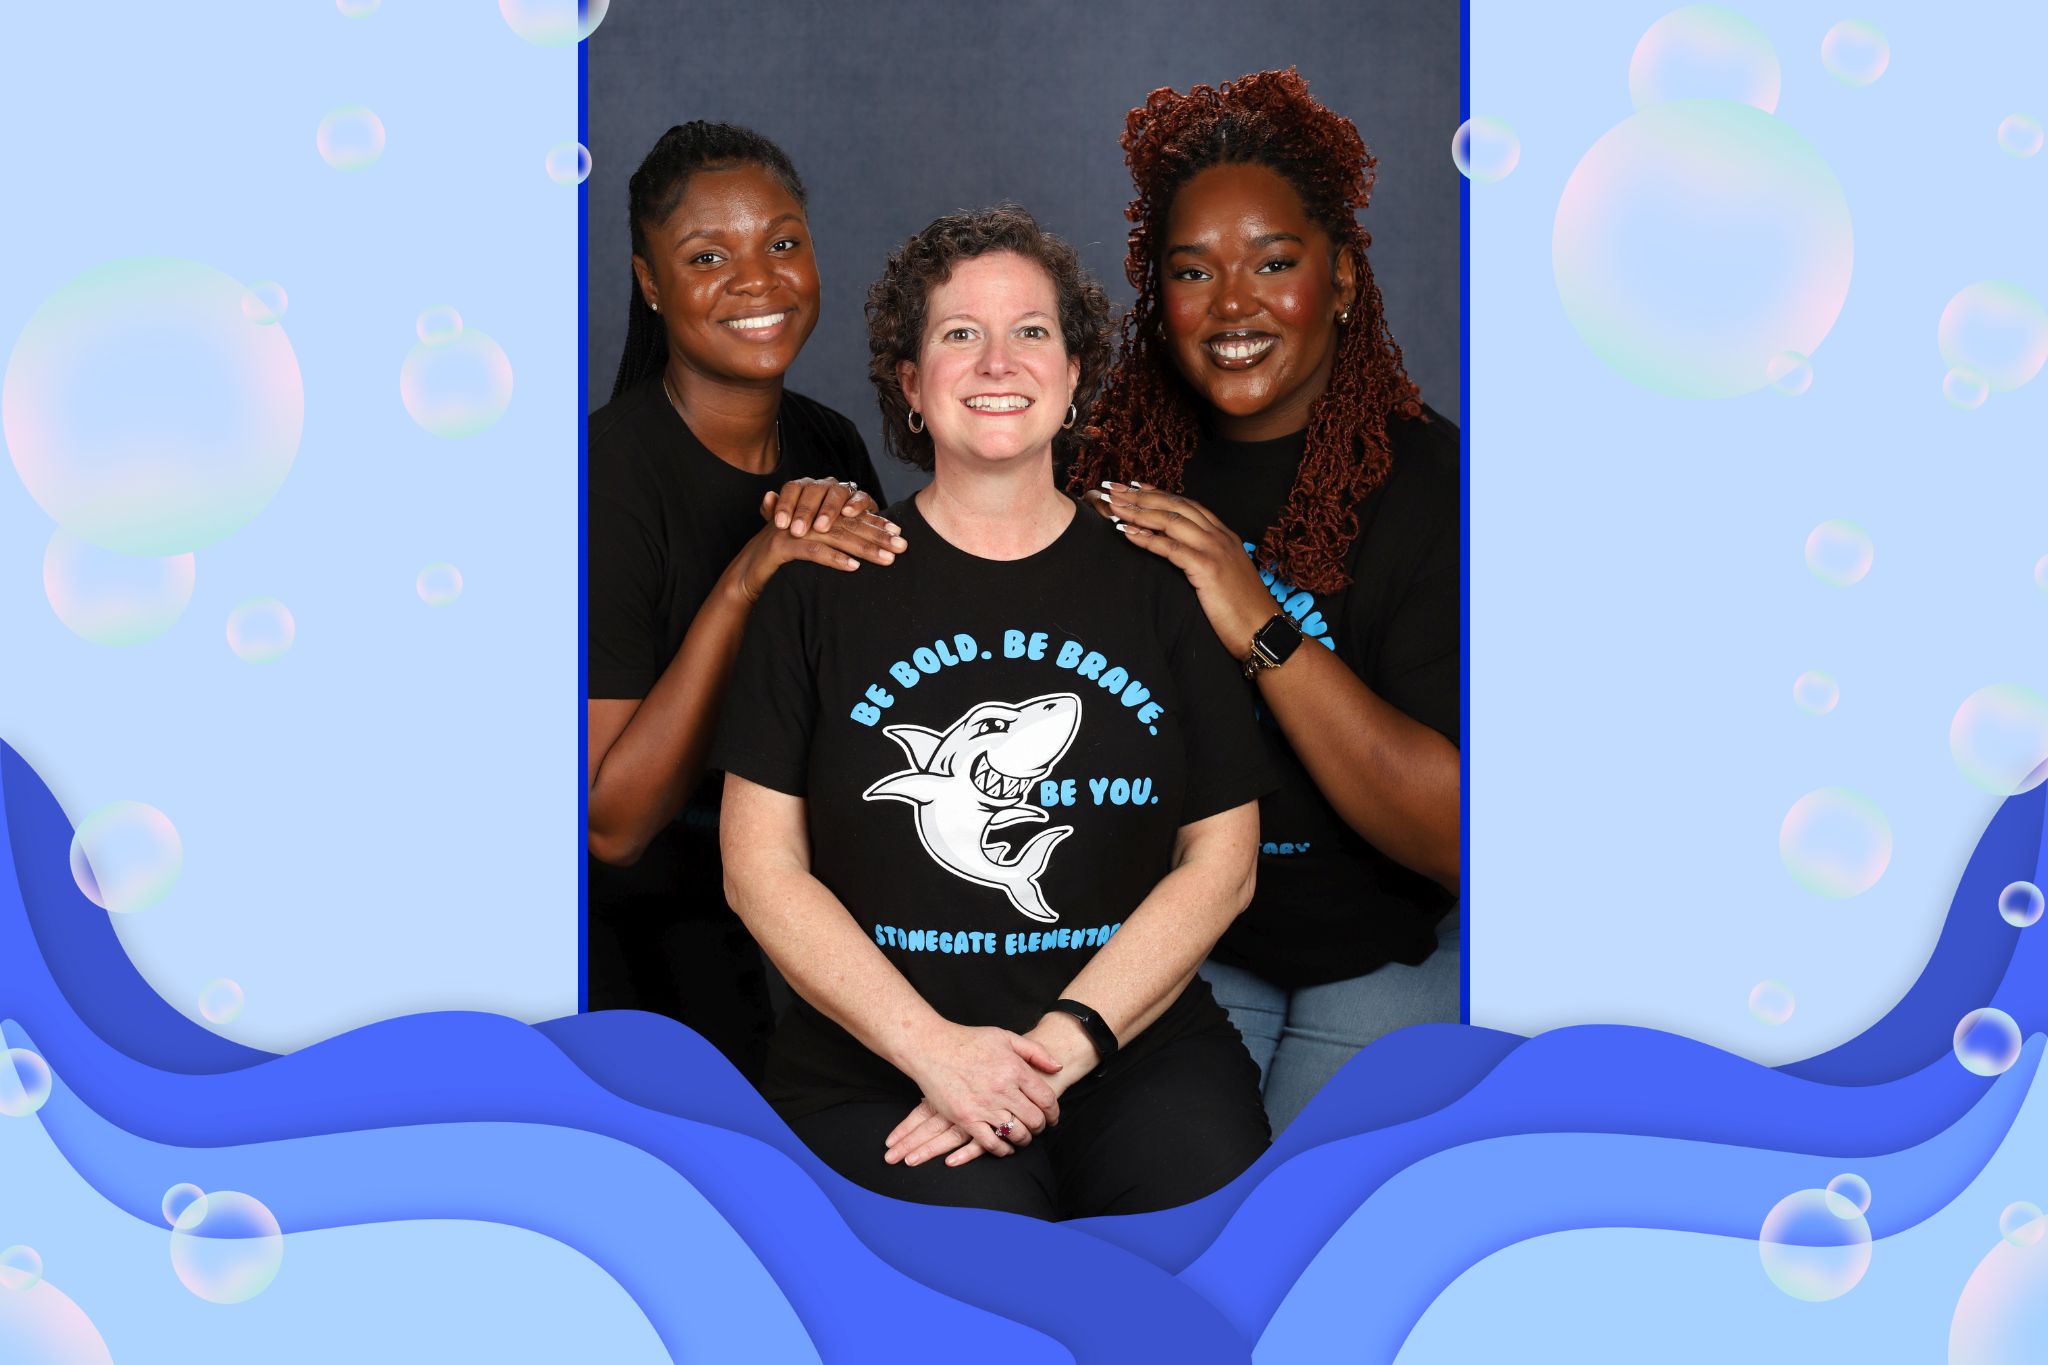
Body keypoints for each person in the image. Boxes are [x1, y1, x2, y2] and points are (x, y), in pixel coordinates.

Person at [712, 206, 1273, 1218]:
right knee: (980, 1257)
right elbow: (759, 871)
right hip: (876, 1064)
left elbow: (1222, 863)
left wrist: (1060, 1047)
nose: (996, 362)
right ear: (909, 384)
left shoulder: (1163, 582)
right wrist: (934, 1052)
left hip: (1128, 1048)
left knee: (1212, 1234)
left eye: (1031, 331)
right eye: (959, 333)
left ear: (1072, 374)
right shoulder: (819, 586)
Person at [1069, 69, 1461, 1134]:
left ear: (1341, 280)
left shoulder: (1436, 486)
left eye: (1274, 263)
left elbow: (1457, 836)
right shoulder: (1103, 472)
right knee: (1170, 1178)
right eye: (1192, 271)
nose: (1232, 304)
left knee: (1305, 1204)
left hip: (1379, 945)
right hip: (1182, 936)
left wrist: (1255, 618)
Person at [586, 121, 907, 1080]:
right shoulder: (604, 480)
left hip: (801, 905)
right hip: (639, 945)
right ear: (650, 283)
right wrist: (748, 575)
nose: (758, 280)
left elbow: (872, 702)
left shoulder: (829, 445)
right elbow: (613, 826)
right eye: (707, 256)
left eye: (781, 243)